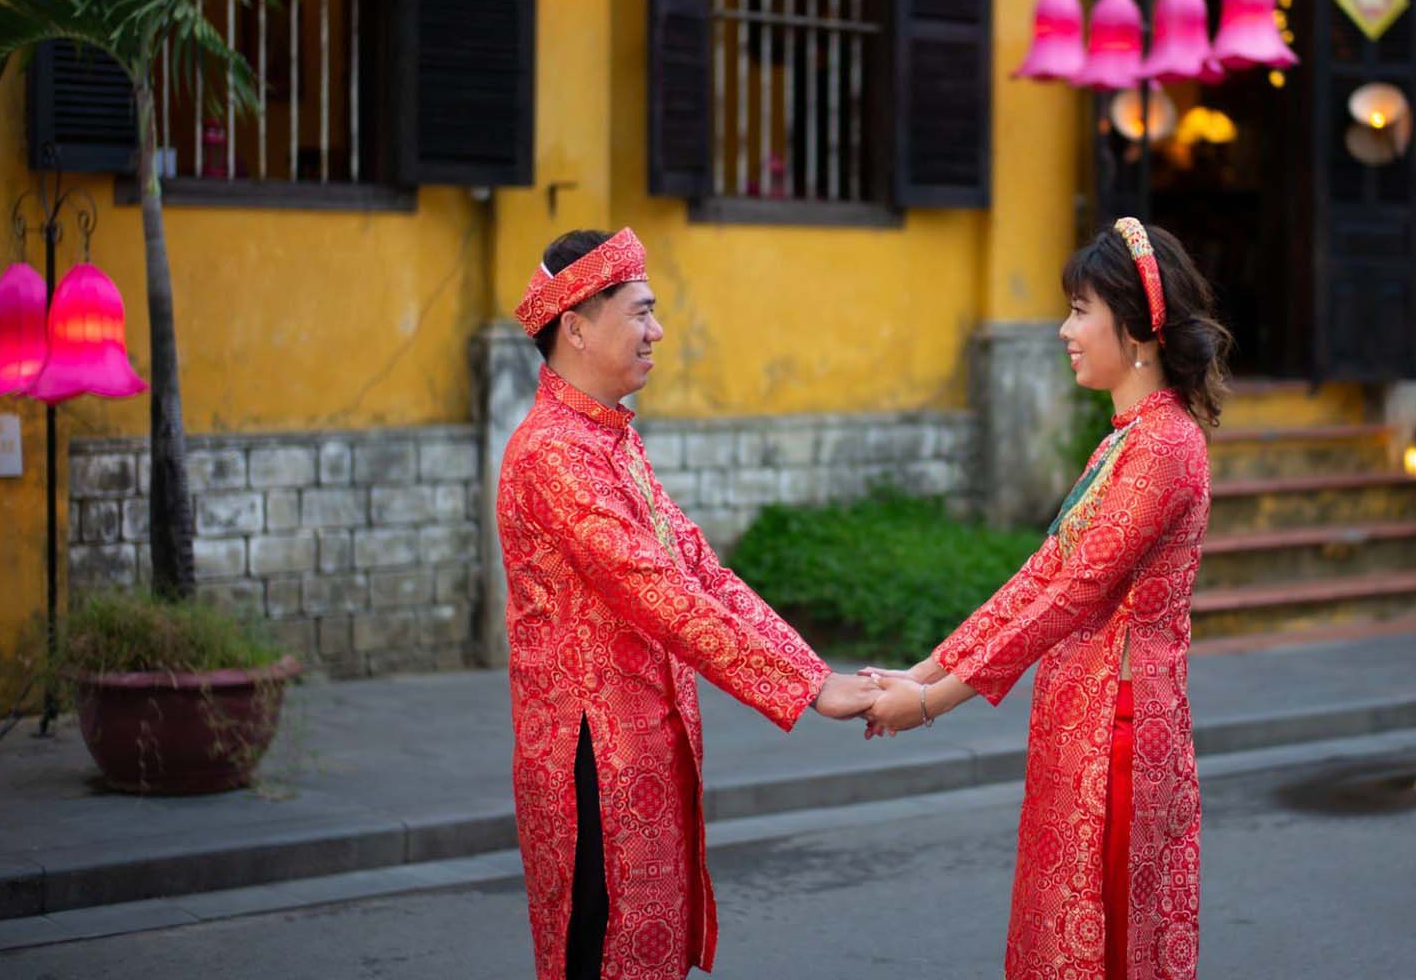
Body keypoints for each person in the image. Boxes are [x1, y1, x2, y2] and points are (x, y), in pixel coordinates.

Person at [497, 227, 879, 980]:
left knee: (649, 949)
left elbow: (700, 569)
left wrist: (810, 671)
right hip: (593, 755)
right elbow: (658, 590)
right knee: (604, 953)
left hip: (642, 741)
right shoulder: (553, 454)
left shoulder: (607, 441)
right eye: (640, 312)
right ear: (575, 325)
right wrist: (807, 688)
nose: (656, 331)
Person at [864, 218, 1231, 980]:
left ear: (1134, 326)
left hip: (1120, 734)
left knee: (1106, 947)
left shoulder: (1163, 447)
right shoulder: (1126, 440)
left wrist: (933, 703)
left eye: (1079, 310)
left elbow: (1071, 595)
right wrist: (921, 672)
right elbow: (1039, 578)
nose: (1064, 330)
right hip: (1086, 722)